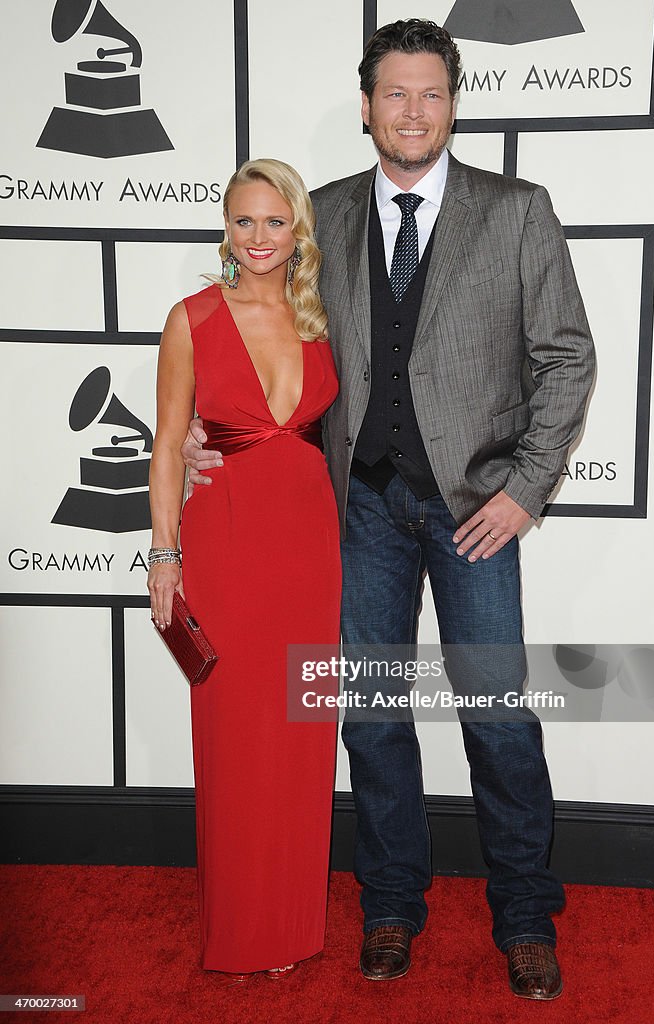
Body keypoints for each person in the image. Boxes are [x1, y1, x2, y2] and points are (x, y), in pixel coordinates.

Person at [183, 19, 595, 1000]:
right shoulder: (317, 215)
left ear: (453, 103)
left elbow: (566, 356)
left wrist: (525, 491)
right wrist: (210, 433)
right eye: (394, 94)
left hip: (474, 512)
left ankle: (527, 915)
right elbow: (260, 341)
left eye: (431, 93)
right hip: (356, 512)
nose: (412, 112)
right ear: (366, 105)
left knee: (497, 721)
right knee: (370, 718)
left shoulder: (516, 211)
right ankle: (391, 907)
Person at [147, 159, 341, 980]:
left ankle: (292, 924)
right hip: (226, 543)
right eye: (242, 222)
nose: (257, 240)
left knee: (301, 732)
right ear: (224, 227)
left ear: (297, 230)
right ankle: (239, 929)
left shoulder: (322, 316)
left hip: (308, 545)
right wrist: (164, 556)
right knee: (233, 737)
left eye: (274, 222)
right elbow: (166, 442)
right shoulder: (191, 318)